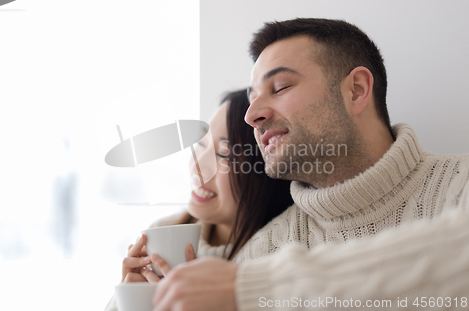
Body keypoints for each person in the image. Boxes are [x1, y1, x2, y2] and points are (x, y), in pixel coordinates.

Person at [150, 18, 469, 311]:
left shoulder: (461, 186)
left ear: (356, 90)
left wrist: (263, 288)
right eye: (252, 99)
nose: (251, 116)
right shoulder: (263, 252)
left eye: (280, 87)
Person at [104, 89, 293, 310]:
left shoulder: (285, 263)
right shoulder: (163, 232)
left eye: (224, 154)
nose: (196, 166)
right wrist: (128, 301)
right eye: (200, 144)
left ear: (267, 172)